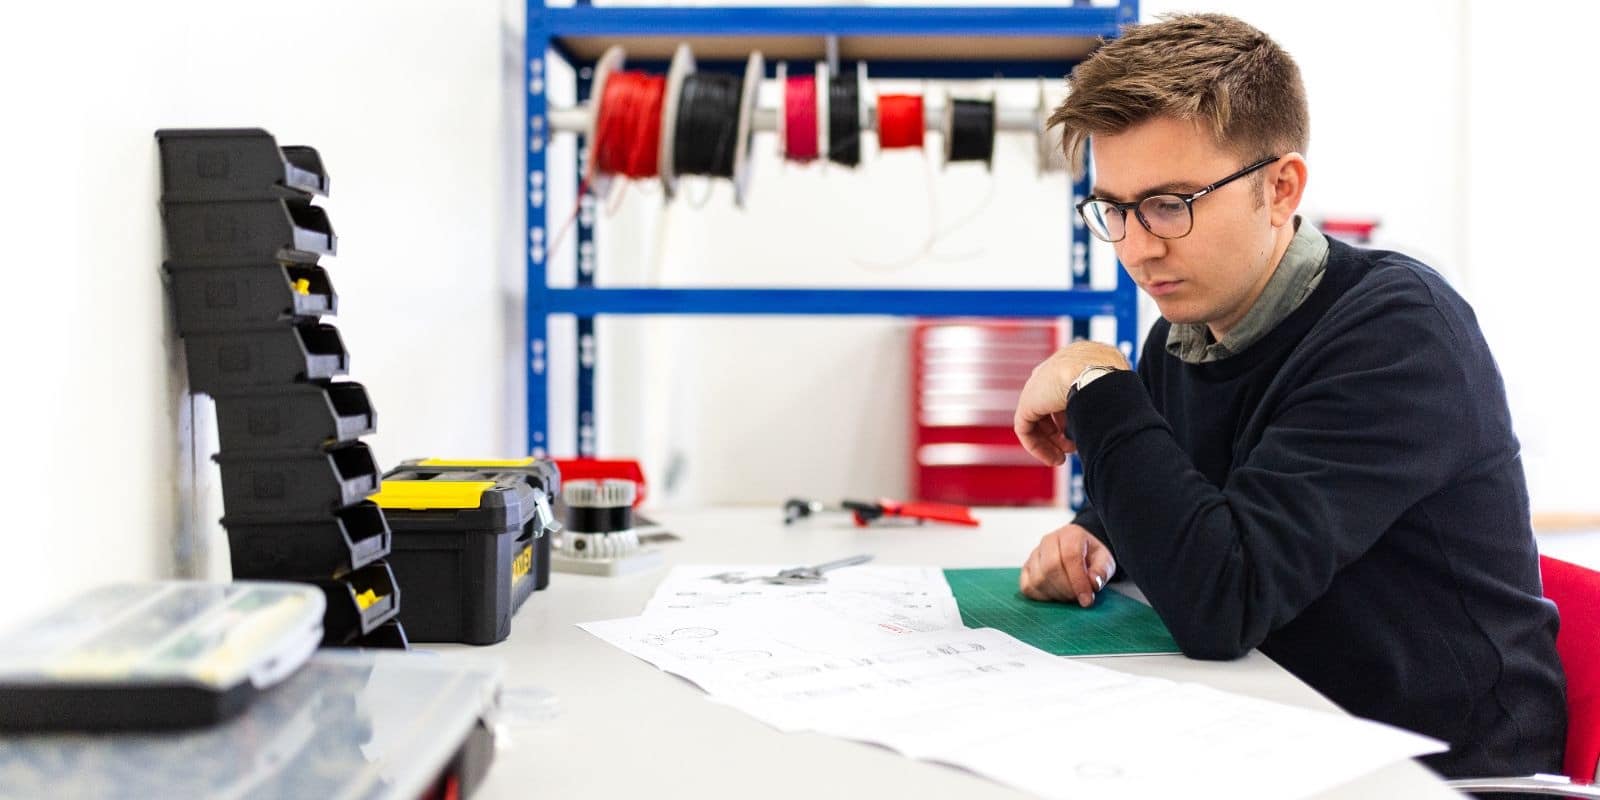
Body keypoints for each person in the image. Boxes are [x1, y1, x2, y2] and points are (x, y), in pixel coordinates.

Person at [1012, 13, 1565, 779]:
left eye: (1170, 204)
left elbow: (1222, 602)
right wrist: (1092, 542)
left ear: (1280, 189)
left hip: (1440, 772)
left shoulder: (1397, 335)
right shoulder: (1186, 332)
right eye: (1114, 208)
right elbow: (1169, 512)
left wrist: (1096, 382)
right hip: (1272, 731)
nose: (1137, 247)